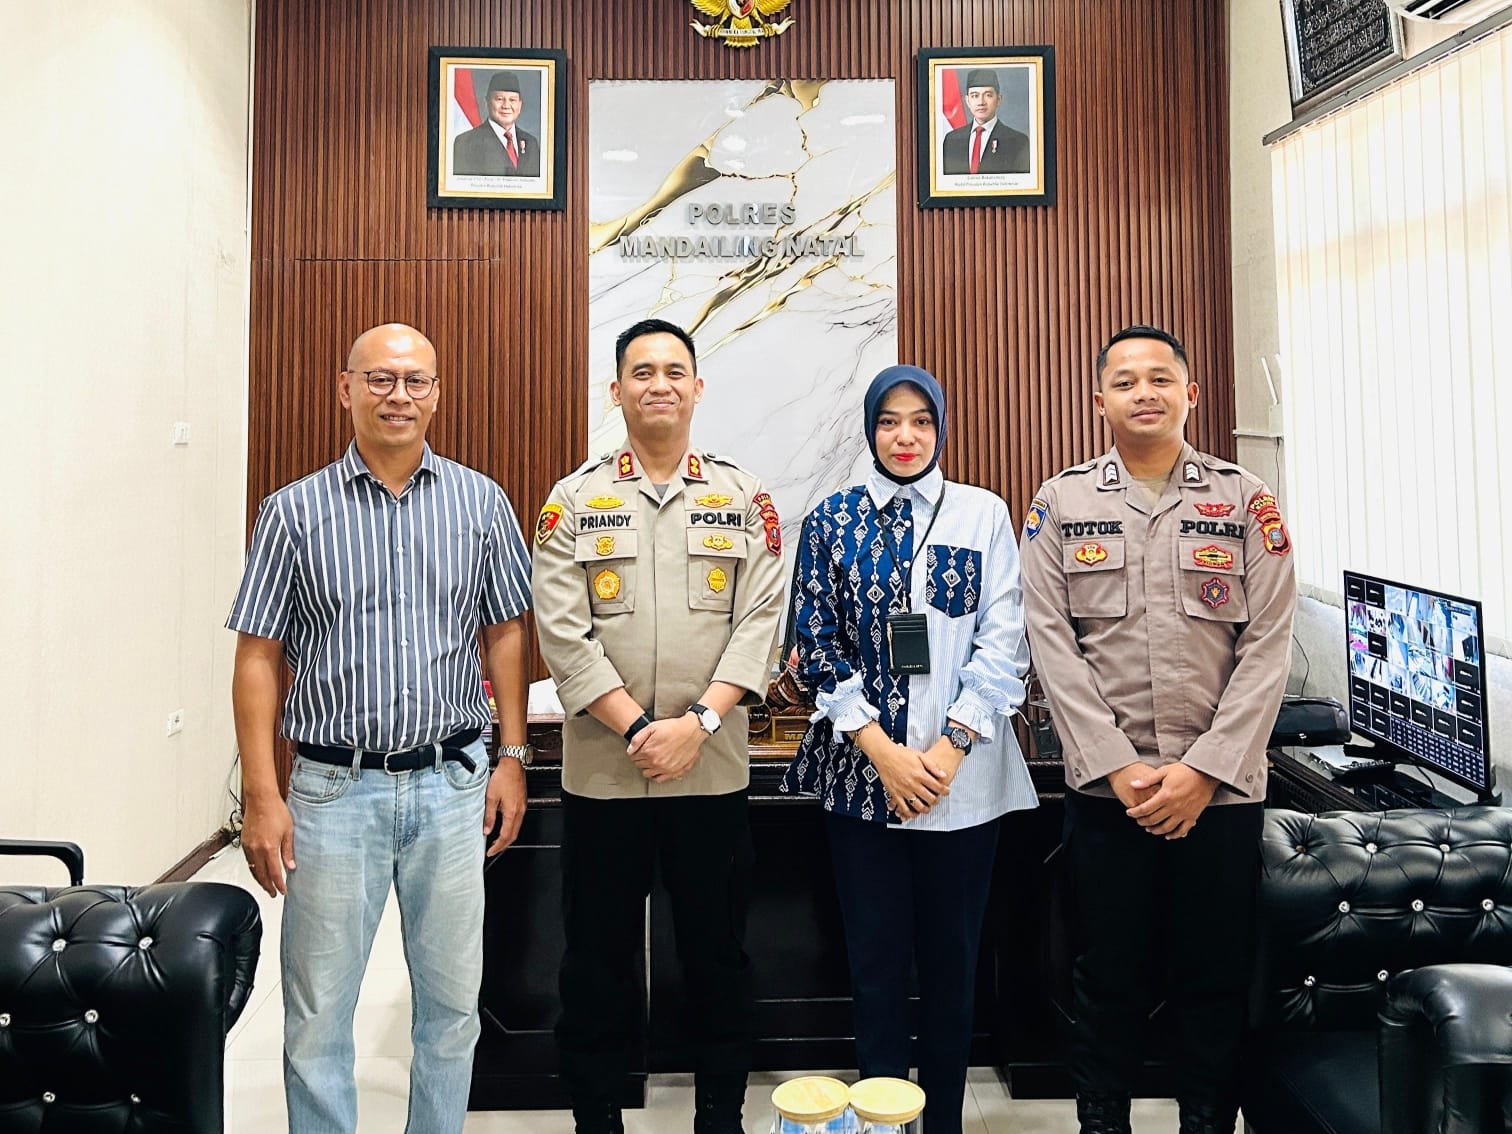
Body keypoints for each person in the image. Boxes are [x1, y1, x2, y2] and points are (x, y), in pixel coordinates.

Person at [228, 323, 533, 1134]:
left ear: (436, 394)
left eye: (415, 380)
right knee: (318, 1013)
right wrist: (262, 794)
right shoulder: (293, 512)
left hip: (452, 784)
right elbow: (257, 656)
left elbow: (506, 632)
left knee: (451, 1006)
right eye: (380, 379)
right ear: (346, 389)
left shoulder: (480, 502)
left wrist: (510, 756)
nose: (399, 395)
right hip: (333, 790)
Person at [1020, 325, 1297, 1134]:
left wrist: (1205, 770)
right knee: (1106, 978)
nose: (1144, 393)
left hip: (1221, 797)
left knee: (1213, 982)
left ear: (1190, 393)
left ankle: (1206, 1122)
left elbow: (1268, 645)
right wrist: (1114, 764)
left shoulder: (1245, 501)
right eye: (1125, 381)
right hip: (1111, 795)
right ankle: (1102, 1122)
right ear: (1098, 400)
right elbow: (1051, 642)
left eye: (1160, 378)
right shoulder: (1061, 503)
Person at [531, 318, 786, 1134]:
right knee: (595, 961)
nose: (659, 384)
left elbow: (761, 622)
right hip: (606, 776)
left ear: (698, 388)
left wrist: (698, 723)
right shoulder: (574, 501)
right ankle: (597, 1117)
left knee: (717, 956)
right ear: (617, 391)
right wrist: (643, 729)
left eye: (675, 370)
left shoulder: (743, 498)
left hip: (709, 772)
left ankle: (720, 1116)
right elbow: (562, 633)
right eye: (642, 371)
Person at [781, 365, 1037, 1134]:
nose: (905, 436)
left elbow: (1004, 637)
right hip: (864, 786)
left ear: (941, 429)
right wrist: (884, 753)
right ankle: (883, 1121)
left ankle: (944, 1123)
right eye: (889, 421)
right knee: (876, 969)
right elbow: (816, 642)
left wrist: (950, 748)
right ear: (870, 430)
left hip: (964, 785)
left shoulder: (982, 514)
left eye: (921, 421)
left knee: (953, 972)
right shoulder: (830, 520)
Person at [453, 70, 541, 177]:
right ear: (487, 102)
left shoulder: (531, 143)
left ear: (520, 105)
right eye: (499, 99)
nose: (506, 106)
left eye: (512, 100)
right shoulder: (466, 143)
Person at [942, 68, 1030, 175]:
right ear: (967, 101)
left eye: (988, 95)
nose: (981, 102)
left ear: (998, 100)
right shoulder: (951, 139)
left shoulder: (1018, 142)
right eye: (975, 96)